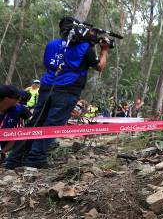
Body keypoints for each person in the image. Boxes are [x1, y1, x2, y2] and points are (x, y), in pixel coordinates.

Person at [3, 16, 109, 169]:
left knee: (36, 122)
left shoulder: (52, 44)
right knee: (53, 123)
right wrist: (104, 50)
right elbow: (99, 67)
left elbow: (47, 63)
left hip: (47, 85)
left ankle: (15, 159)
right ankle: (35, 158)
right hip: (68, 89)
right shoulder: (85, 47)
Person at [0, 85, 31, 161]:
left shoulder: (19, 109)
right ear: (7, 99)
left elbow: (33, 123)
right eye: (17, 97)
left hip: (6, 148)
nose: (20, 99)